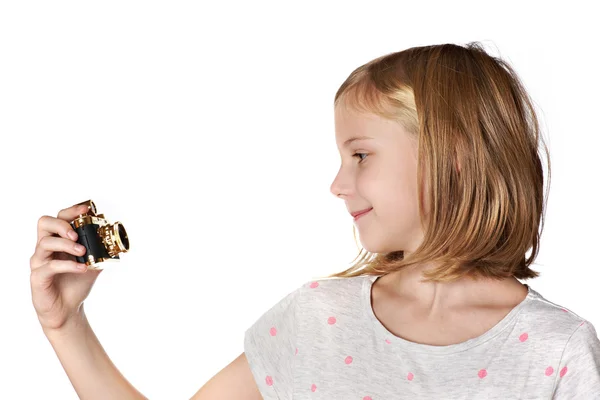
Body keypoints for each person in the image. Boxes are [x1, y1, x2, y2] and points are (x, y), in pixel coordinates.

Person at [29, 42, 600, 399]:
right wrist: (65, 325)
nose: (338, 185)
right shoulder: (315, 321)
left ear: (449, 155)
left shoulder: (558, 352)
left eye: (361, 155)